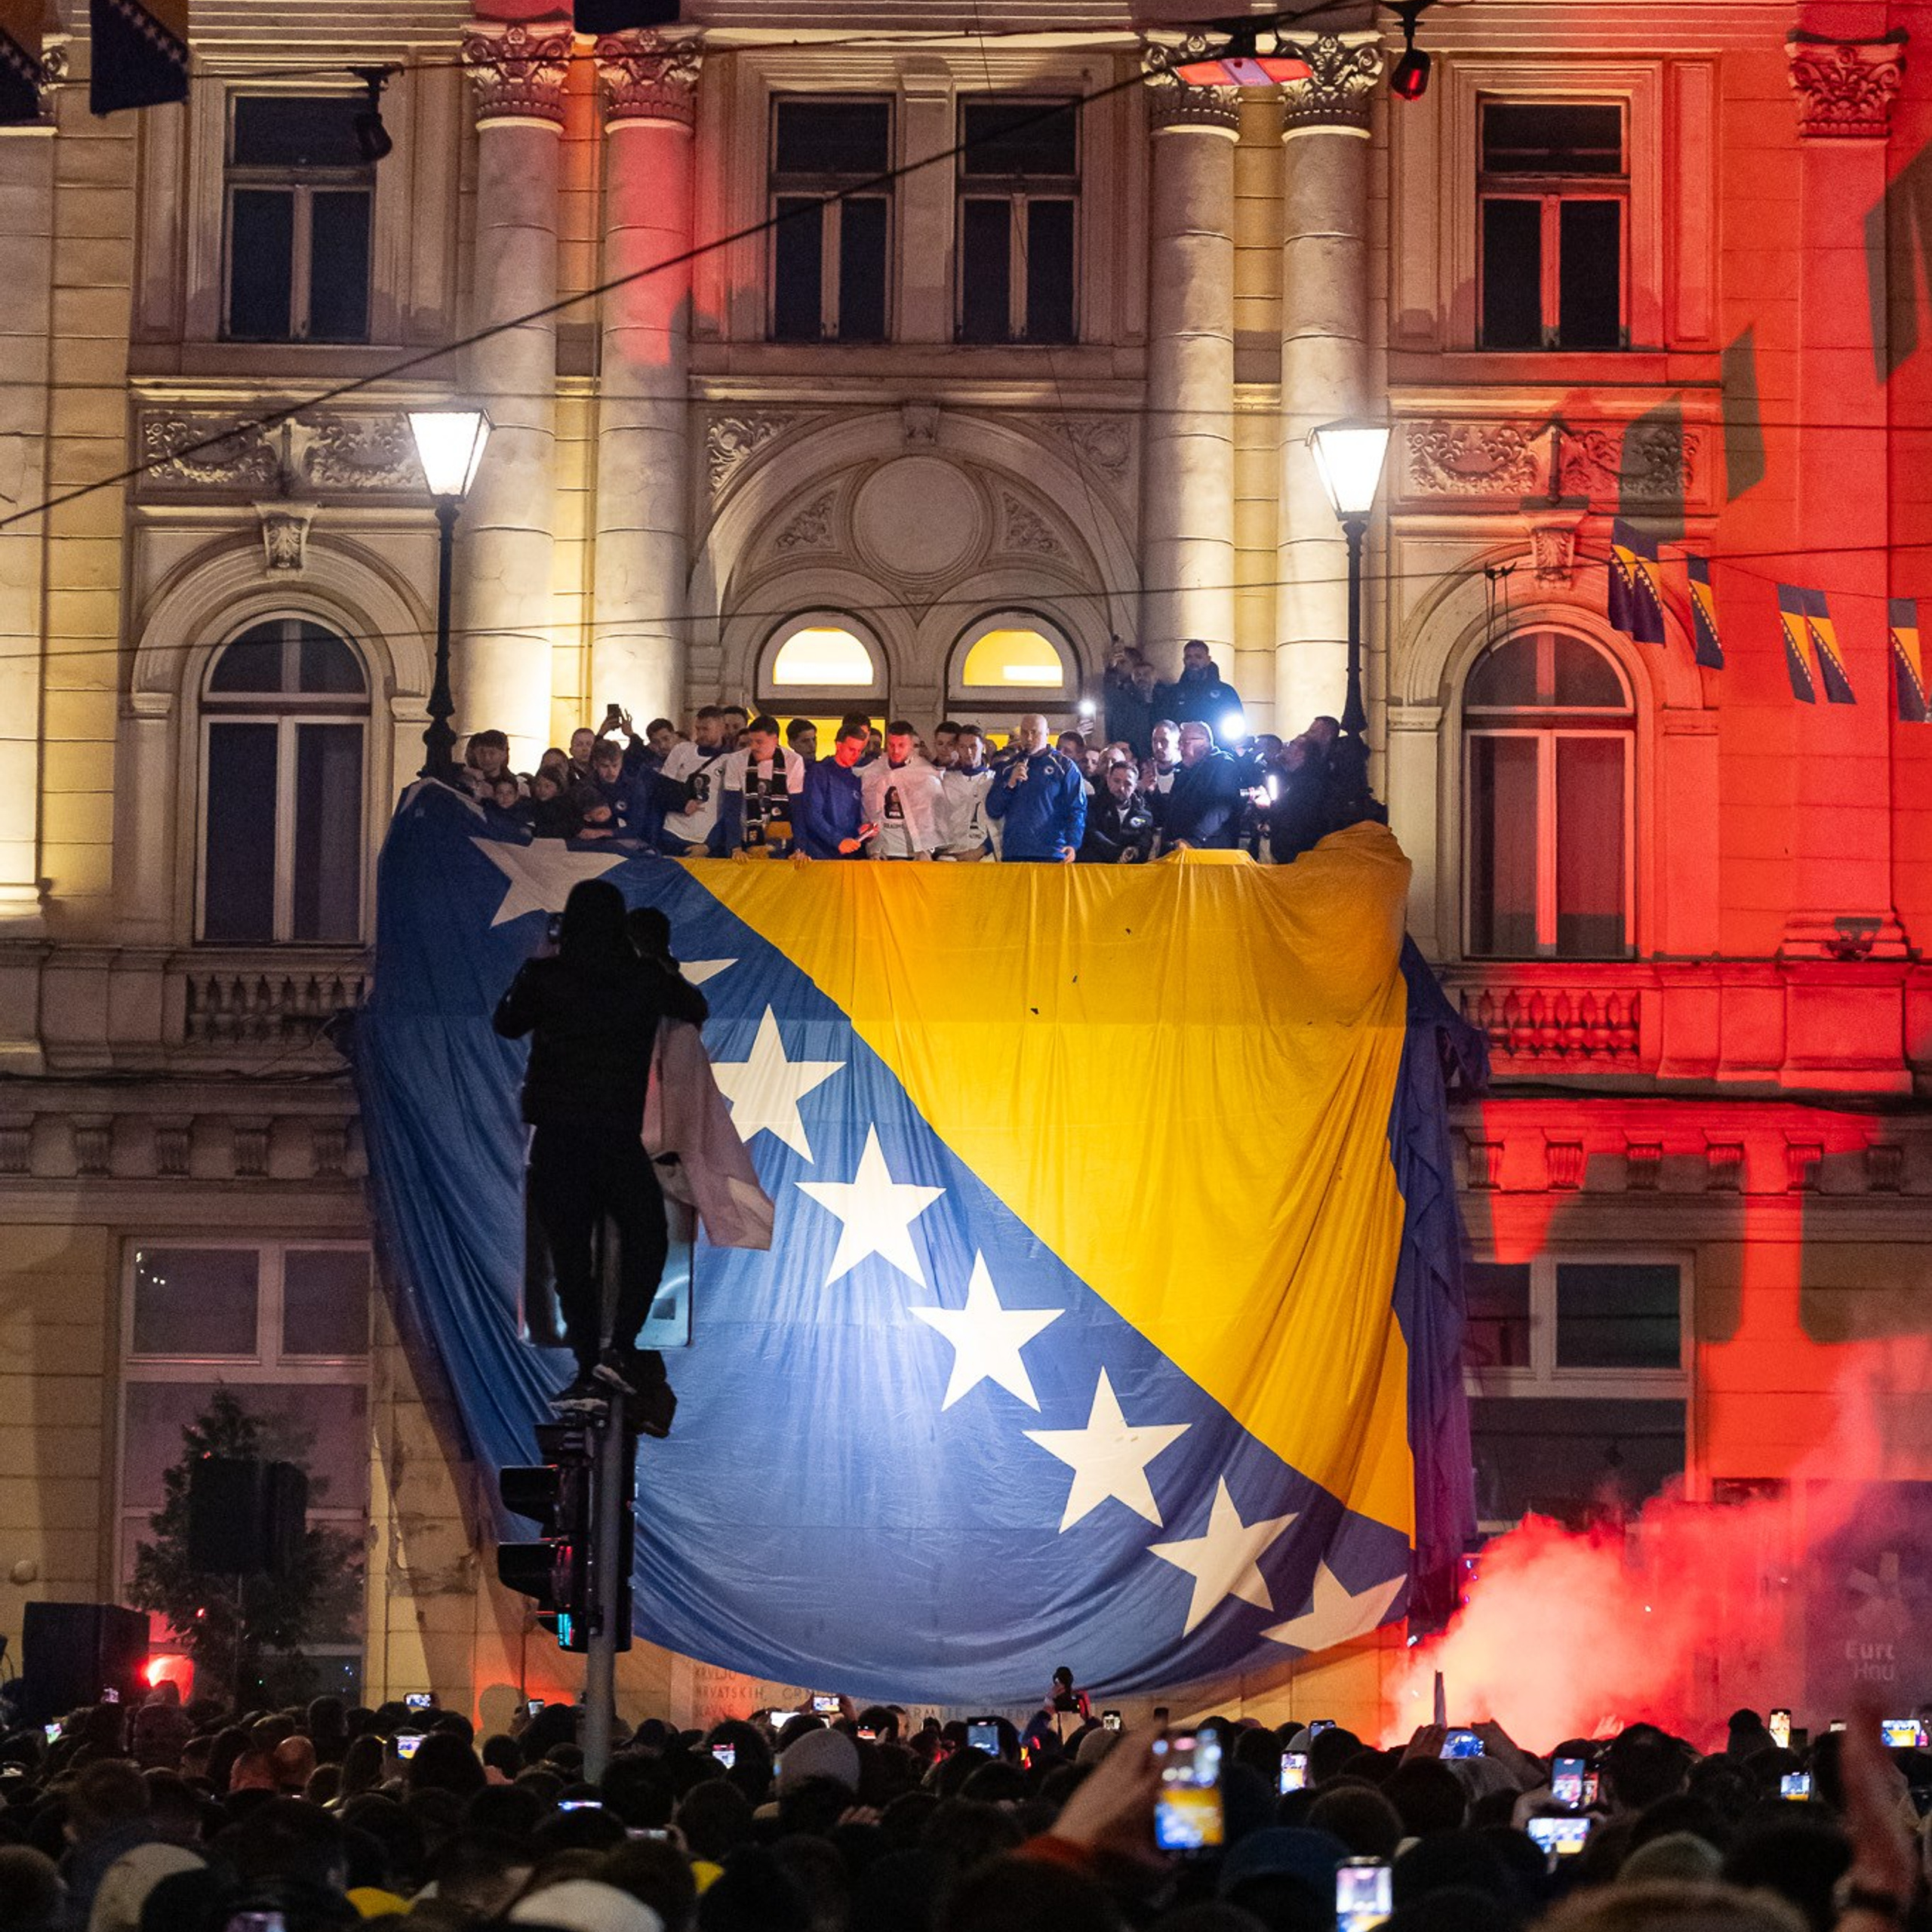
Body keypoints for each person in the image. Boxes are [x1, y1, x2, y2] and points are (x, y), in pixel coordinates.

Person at [492, 879, 709, 1424]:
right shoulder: (640, 978)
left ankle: (588, 1364)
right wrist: (654, 964)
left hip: (557, 1137)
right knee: (647, 1235)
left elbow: (506, 1022)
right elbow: (694, 1006)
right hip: (614, 1134)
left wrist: (540, 960)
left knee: (571, 1259)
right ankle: (622, 1347)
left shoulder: (546, 976)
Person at [985, 714, 1085, 863]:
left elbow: (1076, 808)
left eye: (1034, 733)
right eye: (1025, 733)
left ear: (1047, 734)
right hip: (1014, 851)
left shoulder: (1065, 766)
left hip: (1052, 852)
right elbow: (993, 810)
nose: (1029, 738)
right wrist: (1010, 784)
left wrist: (1073, 843)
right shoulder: (1008, 767)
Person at [719, 715, 806, 855]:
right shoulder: (736, 760)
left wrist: (799, 849)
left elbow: (797, 809)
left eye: (759, 742)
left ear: (775, 740)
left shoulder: (794, 761)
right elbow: (732, 809)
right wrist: (735, 847)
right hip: (746, 839)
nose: (753, 747)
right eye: (751, 742)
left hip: (781, 842)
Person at [861, 721, 943, 860]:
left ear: (911, 745)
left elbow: (934, 818)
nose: (896, 751)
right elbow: (868, 815)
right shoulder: (872, 772)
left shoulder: (927, 774)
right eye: (891, 745)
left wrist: (927, 850)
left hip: (916, 855)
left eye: (901, 745)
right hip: (883, 855)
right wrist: (874, 849)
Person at [795, 716, 875, 860]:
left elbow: (852, 818)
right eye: (852, 749)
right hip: (822, 855)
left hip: (849, 854)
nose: (856, 755)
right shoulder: (819, 772)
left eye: (859, 751)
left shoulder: (856, 777)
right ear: (839, 745)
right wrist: (838, 841)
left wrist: (861, 831)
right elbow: (813, 815)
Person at [1161, 721, 1244, 851]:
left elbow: (1222, 807)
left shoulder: (1223, 764)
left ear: (1203, 742)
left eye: (1184, 742)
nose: (1180, 748)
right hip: (1180, 848)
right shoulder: (1184, 770)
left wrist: (1195, 839)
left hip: (1209, 849)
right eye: (1179, 743)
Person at [659, 708, 733, 857]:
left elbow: (730, 807)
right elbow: (662, 787)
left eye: (706, 729)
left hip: (706, 836)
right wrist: (680, 803)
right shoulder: (682, 750)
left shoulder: (731, 760)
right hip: (673, 831)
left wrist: (711, 843)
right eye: (698, 729)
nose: (700, 734)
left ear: (721, 728)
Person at [1154, 638, 1244, 737]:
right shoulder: (1173, 693)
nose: (1193, 661)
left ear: (1208, 660)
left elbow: (1237, 725)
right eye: (1189, 657)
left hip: (1219, 745)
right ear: (1184, 661)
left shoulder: (1226, 692)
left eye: (1198, 657)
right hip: (1182, 745)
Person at [935, 724, 995, 860]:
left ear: (983, 747)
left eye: (973, 746)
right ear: (957, 748)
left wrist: (983, 849)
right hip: (951, 854)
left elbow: (1002, 822)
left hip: (985, 856)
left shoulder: (994, 780)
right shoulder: (945, 780)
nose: (968, 752)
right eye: (963, 747)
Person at [1078, 760, 1155, 864]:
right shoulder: (1091, 805)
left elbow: (1145, 843)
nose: (1121, 788)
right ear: (1108, 780)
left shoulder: (1144, 815)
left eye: (1128, 784)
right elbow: (1091, 833)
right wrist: (1117, 852)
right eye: (1117, 781)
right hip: (1094, 868)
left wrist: (1135, 851)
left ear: (1135, 786)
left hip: (1128, 870)